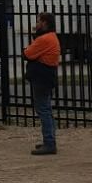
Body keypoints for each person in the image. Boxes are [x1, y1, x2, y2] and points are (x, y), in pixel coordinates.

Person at [24, 11, 61, 156]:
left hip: (41, 77)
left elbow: (27, 54)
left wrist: (30, 51)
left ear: (44, 23)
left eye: (38, 21)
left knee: (43, 109)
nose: (36, 24)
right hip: (46, 76)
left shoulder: (44, 39)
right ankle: (49, 140)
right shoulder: (51, 38)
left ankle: (49, 142)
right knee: (46, 109)